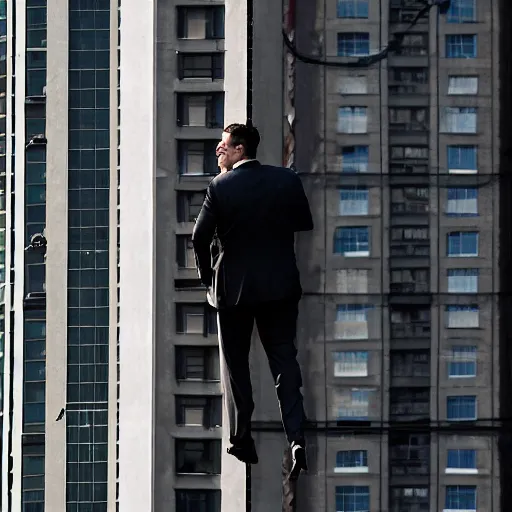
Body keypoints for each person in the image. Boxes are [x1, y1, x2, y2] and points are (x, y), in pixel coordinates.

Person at [192, 123, 313, 480]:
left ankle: (242, 438)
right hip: (280, 286)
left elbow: (199, 239)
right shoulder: (286, 180)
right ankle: (296, 436)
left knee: (236, 368)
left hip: (233, 291)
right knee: (284, 362)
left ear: (240, 150)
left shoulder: (220, 187)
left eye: (224, 147)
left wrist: (206, 277)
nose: (219, 151)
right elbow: (302, 222)